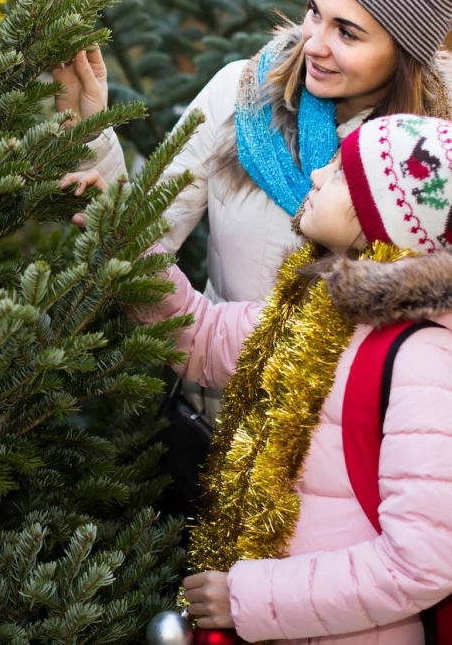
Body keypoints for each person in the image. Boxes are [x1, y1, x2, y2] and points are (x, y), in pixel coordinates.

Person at [61, 0, 452, 421]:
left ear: (403, 51)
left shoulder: (431, 165)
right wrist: (91, 134)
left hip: (363, 440)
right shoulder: (242, 96)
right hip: (222, 421)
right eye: (315, 12)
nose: (314, 43)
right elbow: (145, 234)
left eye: (348, 32)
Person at [133, 112, 452, 643]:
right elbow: (202, 336)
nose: (319, 177)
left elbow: (423, 561)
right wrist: (124, 235)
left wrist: (252, 598)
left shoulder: (424, 359)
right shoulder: (310, 309)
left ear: (385, 218)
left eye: (344, 173)